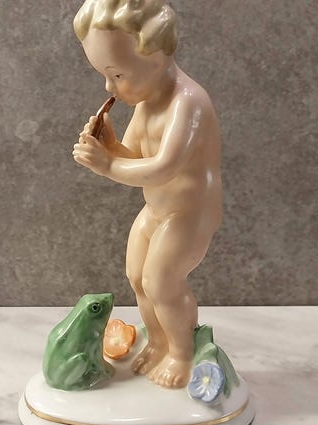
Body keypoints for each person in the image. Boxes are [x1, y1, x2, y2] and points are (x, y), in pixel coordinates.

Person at [72, 0, 223, 388]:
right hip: (157, 207)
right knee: (137, 275)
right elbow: (136, 158)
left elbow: (163, 168)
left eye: (117, 74)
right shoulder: (147, 103)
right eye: (105, 75)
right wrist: (110, 147)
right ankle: (158, 341)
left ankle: (182, 352)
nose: (110, 87)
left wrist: (107, 165)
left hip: (188, 213)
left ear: (154, 56)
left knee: (162, 282)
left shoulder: (187, 103)